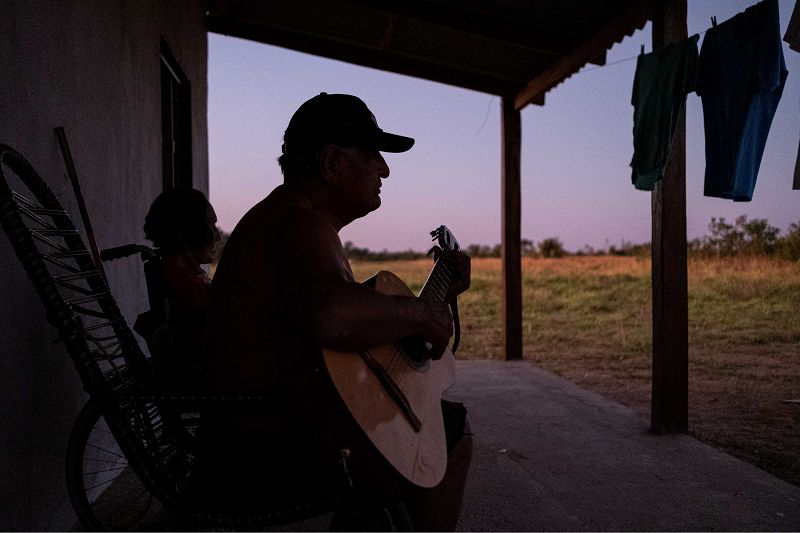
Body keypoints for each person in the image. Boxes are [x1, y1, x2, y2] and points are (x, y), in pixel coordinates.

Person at [197, 93, 472, 530]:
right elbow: (331, 313)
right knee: (451, 432)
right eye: (372, 155)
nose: (384, 169)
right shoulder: (297, 223)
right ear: (331, 162)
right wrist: (420, 315)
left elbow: (332, 315)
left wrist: (432, 300)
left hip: (271, 419)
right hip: (264, 443)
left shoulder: (291, 219)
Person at [141, 187, 220, 362]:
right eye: (211, 225)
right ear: (189, 230)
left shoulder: (168, 273)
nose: (217, 237)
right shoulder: (187, 286)